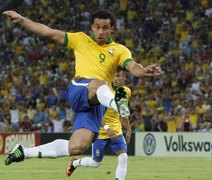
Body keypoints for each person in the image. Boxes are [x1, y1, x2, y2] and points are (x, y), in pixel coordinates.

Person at [3, 9, 161, 174]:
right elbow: (47, 31)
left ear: (112, 29)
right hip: (80, 88)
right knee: (100, 83)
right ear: (91, 27)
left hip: (98, 103)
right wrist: (21, 20)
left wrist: (143, 71)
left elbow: (133, 67)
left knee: (77, 147)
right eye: (97, 27)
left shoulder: (120, 50)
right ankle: (116, 104)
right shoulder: (79, 39)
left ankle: (23, 151)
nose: (101, 31)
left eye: (105, 28)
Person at [4, 68, 132, 180]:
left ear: (124, 78)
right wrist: (106, 127)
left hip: (111, 125)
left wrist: (129, 128)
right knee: (92, 160)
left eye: (119, 76)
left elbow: (123, 113)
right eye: (115, 75)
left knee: (119, 157)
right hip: (97, 116)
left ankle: (24, 152)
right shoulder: (101, 82)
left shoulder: (126, 91)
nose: (116, 78)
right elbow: (96, 111)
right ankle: (114, 103)